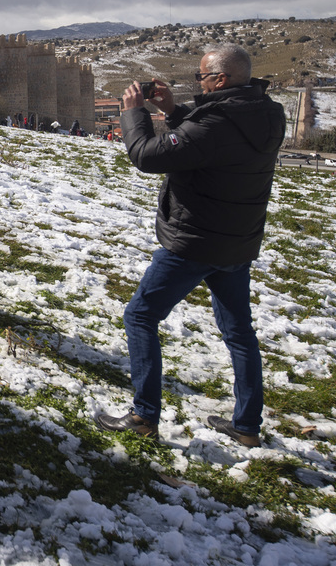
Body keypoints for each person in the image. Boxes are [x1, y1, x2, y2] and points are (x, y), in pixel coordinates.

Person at [96, 44, 285, 447]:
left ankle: (144, 415)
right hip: (237, 242)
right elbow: (217, 140)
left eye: (202, 77)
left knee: (140, 317)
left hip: (195, 241)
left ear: (220, 80)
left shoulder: (214, 123)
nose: (199, 83)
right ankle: (247, 427)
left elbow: (147, 155)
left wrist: (134, 112)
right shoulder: (267, 114)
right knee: (239, 332)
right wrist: (175, 110)